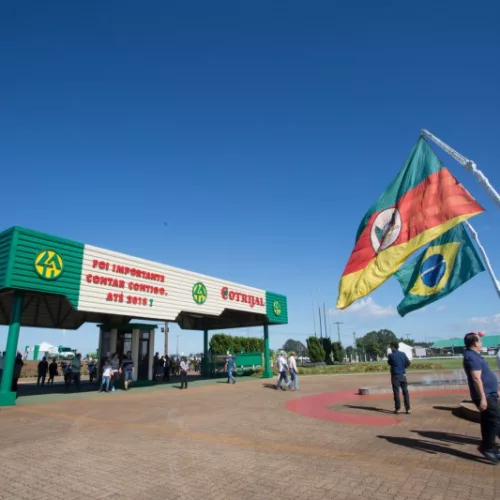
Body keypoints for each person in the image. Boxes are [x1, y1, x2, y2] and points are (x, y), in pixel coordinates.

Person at [463, 331, 500, 463]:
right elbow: (476, 378)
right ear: (474, 343)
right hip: (486, 395)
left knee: (489, 421)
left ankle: (491, 447)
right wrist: (483, 398)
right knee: (494, 420)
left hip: (490, 393)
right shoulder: (471, 357)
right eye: (479, 340)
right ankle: (487, 448)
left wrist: (496, 390)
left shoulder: (474, 355)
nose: (481, 342)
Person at [387, 342, 411, 414]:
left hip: (395, 376)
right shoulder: (403, 354)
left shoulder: (391, 355)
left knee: (396, 392)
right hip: (403, 375)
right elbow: (408, 363)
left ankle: (398, 409)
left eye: (391, 347)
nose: (390, 348)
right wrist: (403, 367)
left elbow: (389, 363)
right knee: (405, 392)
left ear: (393, 347)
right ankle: (408, 409)